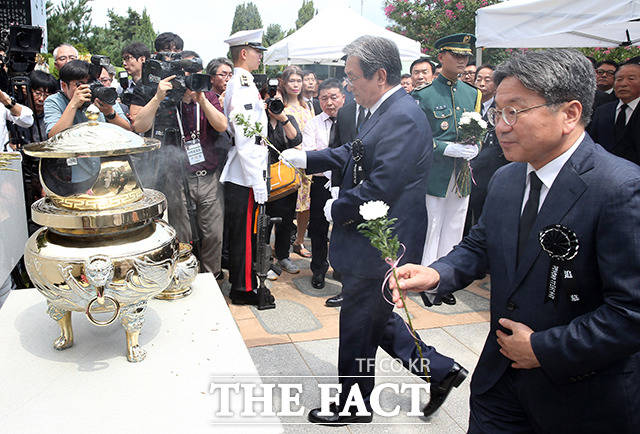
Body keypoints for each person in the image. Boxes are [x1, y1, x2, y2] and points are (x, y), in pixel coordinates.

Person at [391, 48, 640, 434]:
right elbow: (480, 246)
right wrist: (436, 274)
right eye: (497, 113)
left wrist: (544, 348)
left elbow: (630, 312)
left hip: (580, 396)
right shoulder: (508, 179)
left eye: (515, 112)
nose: (501, 126)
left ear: (569, 114)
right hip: (499, 386)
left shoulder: (619, 188)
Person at [282, 35, 467, 425]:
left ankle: (354, 404)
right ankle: (439, 369)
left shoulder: (400, 115)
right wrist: (308, 158)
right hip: (371, 240)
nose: (347, 85)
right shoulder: (384, 108)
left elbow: (381, 185)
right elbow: (353, 152)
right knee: (373, 319)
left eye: (352, 77)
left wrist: (337, 208)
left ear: (379, 75)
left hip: (381, 242)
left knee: (357, 325)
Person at [413, 33, 481, 306]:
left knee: (455, 226)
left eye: (466, 55)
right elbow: (416, 138)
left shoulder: (472, 93)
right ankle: (427, 281)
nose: (463, 59)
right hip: (435, 173)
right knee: (433, 225)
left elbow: (478, 127)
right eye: (457, 54)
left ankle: (446, 279)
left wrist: (476, 146)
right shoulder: (424, 95)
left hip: (462, 172)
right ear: (441, 57)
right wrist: (443, 148)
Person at [221, 29, 270, 306]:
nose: (260, 56)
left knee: (247, 233)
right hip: (244, 173)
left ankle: (244, 284)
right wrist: (256, 179)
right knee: (245, 236)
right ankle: (242, 288)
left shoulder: (244, 82)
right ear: (244, 53)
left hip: (246, 171)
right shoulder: (241, 84)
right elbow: (245, 135)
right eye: (257, 51)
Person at [171, 52, 228, 280]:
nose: (189, 78)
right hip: (177, 178)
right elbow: (141, 124)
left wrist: (201, 99)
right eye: (185, 73)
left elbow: (222, 125)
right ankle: (185, 276)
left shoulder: (209, 97)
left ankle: (211, 276)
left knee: (213, 233)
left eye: (194, 73)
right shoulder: (169, 98)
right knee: (182, 234)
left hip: (208, 176)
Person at [302, 79, 345, 289]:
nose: (329, 103)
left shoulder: (352, 123)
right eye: (324, 98)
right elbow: (310, 157)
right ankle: (318, 268)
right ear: (318, 100)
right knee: (318, 228)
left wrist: (323, 156)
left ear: (343, 98)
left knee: (343, 227)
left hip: (346, 183)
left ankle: (341, 267)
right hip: (321, 184)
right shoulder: (313, 123)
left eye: (334, 97)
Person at [265, 90, 303, 280]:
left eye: (279, 100)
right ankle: (264, 260)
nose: (274, 104)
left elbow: (296, 140)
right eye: (271, 100)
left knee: (286, 220)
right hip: (262, 177)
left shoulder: (288, 118)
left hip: (285, 179)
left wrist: (282, 118)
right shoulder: (258, 119)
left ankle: (283, 256)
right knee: (263, 221)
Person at [466, 64, 508, 232]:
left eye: (487, 80)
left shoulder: (499, 109)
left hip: (489, 173)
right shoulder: (468, 105)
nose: (482, 83)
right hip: (467, 174)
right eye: (479, 79)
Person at [43, 60, 130, 137]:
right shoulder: (54, 101)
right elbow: (53, 137)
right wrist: (73, 104)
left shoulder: (100, 95)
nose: (87, 88)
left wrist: (110, 113)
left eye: (89, 83)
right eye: (80, 84)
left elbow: (128, 130)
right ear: (64, 86)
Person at [280, 65, 314, 260]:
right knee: (286, 207)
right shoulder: (281, 106)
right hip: (288, 162)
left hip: (307, 162)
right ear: (284, 83)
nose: (296, 85)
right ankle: (281, 245)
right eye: (292, 81)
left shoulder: (307, 105)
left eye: (298, 81)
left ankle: (299, 241)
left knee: (305, 205)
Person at [589, 60, 640, 165]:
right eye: (619, 79)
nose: (623, 84)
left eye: (631, 79)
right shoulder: (602, 111)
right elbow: (592, 143)